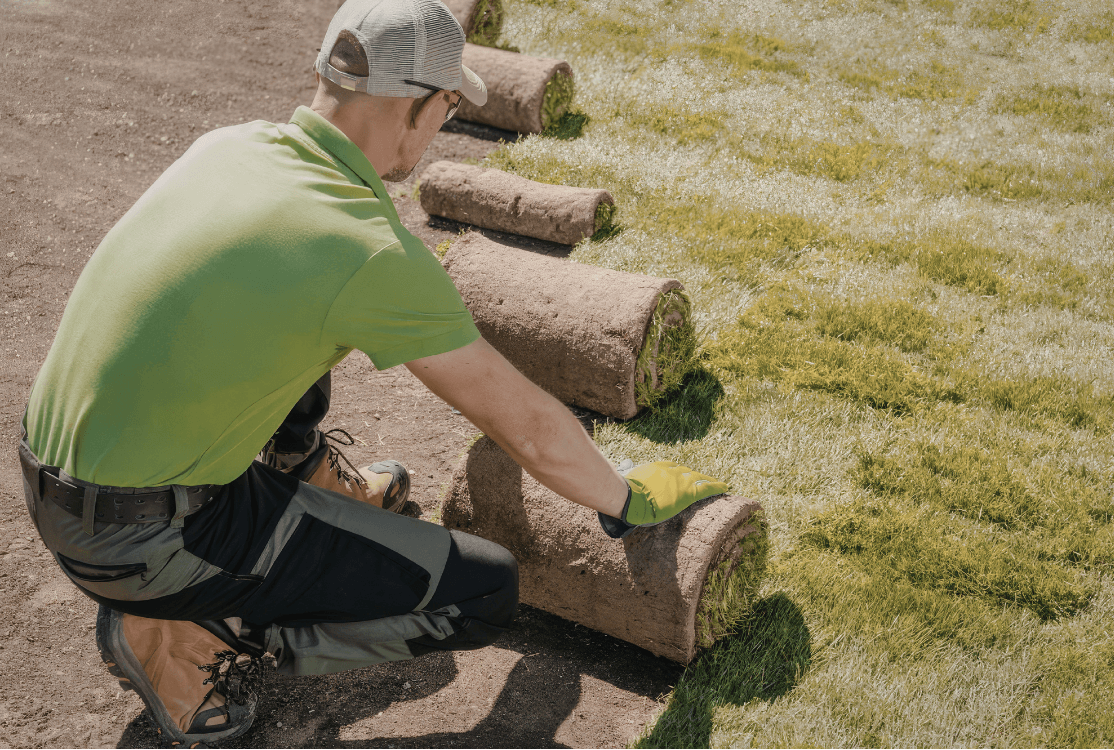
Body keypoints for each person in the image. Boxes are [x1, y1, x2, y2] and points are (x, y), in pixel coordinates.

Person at [16, 0, 728, 745]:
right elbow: (520, 423)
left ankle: (303, 476)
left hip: (53, 471)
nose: (444, 125)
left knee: (286, 322)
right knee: (483, 591)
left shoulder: (230, 146)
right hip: (145, 541)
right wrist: (622, 497)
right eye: (449, 106)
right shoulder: (367, 250)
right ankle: (197, 633)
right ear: (414, 105)